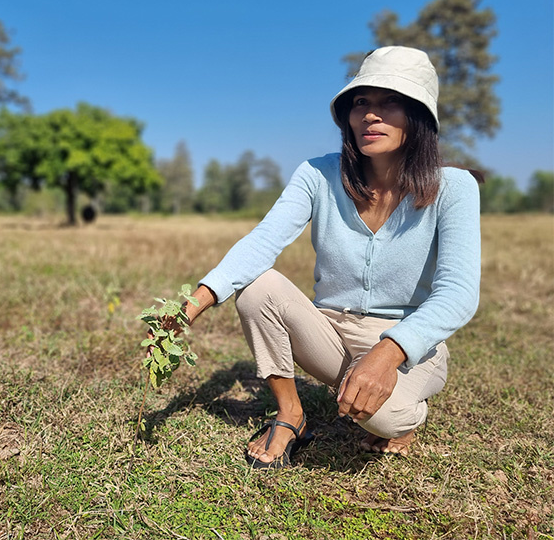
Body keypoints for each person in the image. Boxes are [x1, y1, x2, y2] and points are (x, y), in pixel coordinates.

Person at [169, 46, 481, 469]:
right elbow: (264, 241)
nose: (371, 115)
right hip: (329, 329)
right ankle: (291, 415)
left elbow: (458, 293)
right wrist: (194, 303)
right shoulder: (318, 174)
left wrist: (387, 354)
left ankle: (406, 419)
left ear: (419, 116)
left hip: (408, 342)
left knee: (385, 418)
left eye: (391, 102)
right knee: (257, 286)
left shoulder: (455, 188)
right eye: (361, 103)